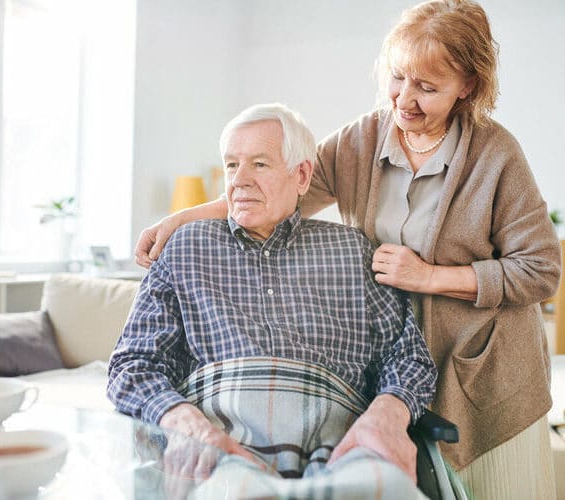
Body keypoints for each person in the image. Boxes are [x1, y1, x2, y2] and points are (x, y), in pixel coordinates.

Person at [133, 1, 562, 498]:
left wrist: (431, 276)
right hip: (405, 363)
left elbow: (542, 269)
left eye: (427, 87)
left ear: (467, 85)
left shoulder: (495, 153)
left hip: (485, 366)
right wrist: (180, 220)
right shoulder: (362, 139)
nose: (404, 99)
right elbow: (278, 188)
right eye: (398, 78)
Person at [108, 103, 437, 497]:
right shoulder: (185, 248)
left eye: (260, 164)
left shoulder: (354, 251)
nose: (239, 181)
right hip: (219, 443)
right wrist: (187, 427)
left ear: (301, 175)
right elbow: (133, 364)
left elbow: (409, 358)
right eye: (231, 166)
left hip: (343, 447)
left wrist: (387, 417)